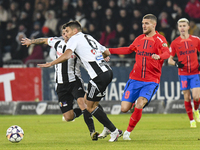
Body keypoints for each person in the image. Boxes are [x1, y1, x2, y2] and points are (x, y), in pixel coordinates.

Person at [37, 21, 122, 142]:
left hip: (98, 75)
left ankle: (114, 131)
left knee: (89, 106)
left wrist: (51, 63)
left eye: (67, 31)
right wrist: (101, 57)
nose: (65, 34)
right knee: (91, 104)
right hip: (107, 71)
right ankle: (107, 128)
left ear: (74, 31)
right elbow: (107, 52)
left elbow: (66, 55)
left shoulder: (74, 39)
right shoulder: (88, 37)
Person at [21, 27, 97, 141]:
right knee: (68, 117)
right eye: (63, 33)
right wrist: (31, 41)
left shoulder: (78, 46)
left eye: (66, 32)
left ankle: (92, 132)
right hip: (61, 85)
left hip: (74, 81)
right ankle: (83, 111)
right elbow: (44, 40)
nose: (65, 34)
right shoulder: (57, 42)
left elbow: (90, 54)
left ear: (71, 34)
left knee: (82, 103)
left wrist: (102, 57)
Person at [104, 14, 170, 140]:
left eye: (146, 23)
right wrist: (110, 50)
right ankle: (134, 105)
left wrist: (159, 56)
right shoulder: (139, 39)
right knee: (124, 109)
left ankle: (128, 132)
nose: (143, 25)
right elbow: (128, 49)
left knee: (140, 104)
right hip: (134, 80)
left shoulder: (160, 40)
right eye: (142, 23)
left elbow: (167, 53)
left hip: (151, 81)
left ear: (154, 25)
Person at [168, 18, 200, 128]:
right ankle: (192, 120)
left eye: (184, 25)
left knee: (196, 97)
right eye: (180, 26)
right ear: (178, 28)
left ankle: (196, 110)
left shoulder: (196, 40)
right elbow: (169, 59)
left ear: (188, 27)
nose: (182, 28)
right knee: (187, 97)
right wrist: (177, 64)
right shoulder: (175, 43)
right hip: (183, 74)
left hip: (195, 72)